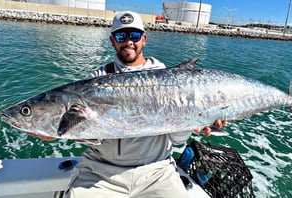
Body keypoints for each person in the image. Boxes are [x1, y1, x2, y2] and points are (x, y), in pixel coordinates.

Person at [58, 11, 225, 198]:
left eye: (134, 36)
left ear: (144, 39)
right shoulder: (95, 80)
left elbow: (177, 139)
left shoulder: (171, 80)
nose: (128, 41)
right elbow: (82, 131)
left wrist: (197, 120)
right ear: (113, 40)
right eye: (121, 36)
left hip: (157, 171)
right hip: (101, 172)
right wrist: (51, 130)